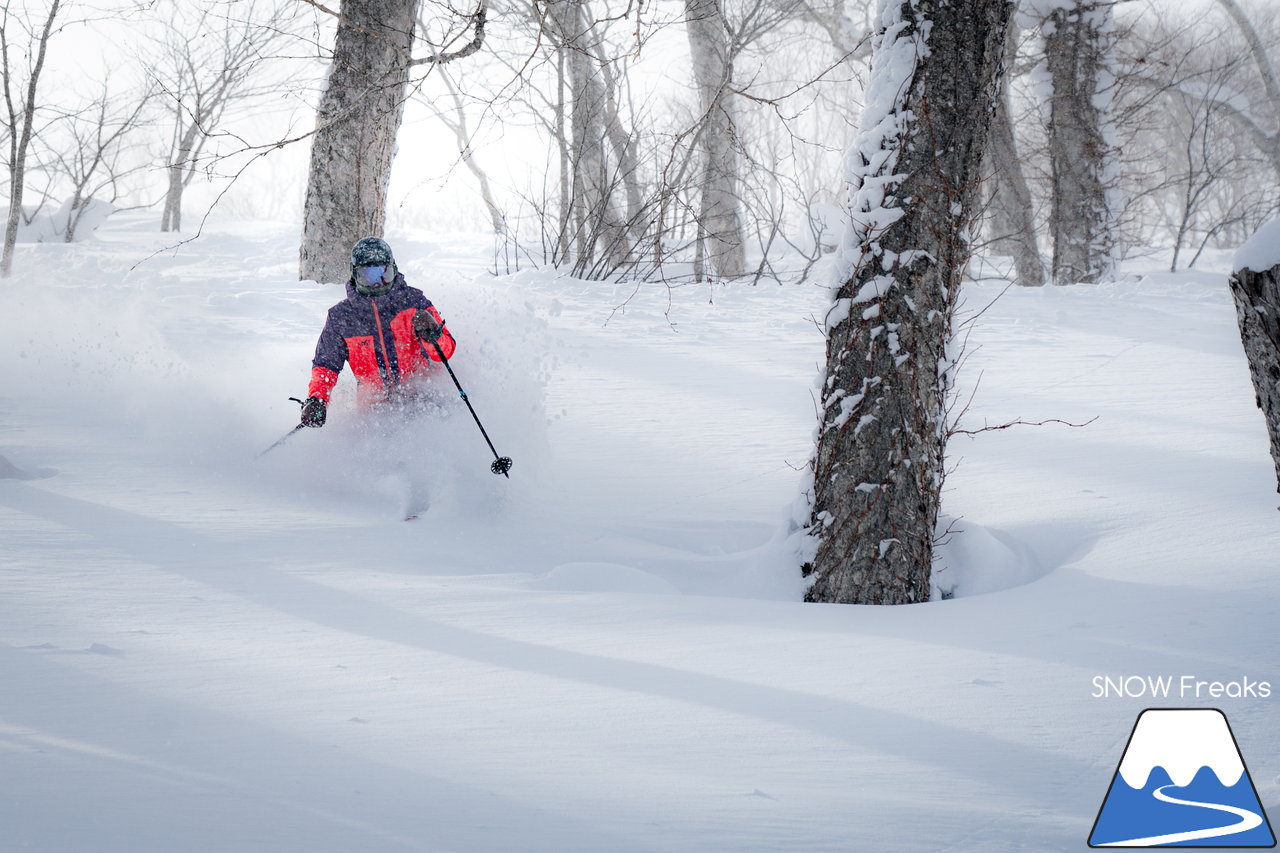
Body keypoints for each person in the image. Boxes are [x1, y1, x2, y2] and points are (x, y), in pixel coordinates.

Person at [299, 237, 456, 428]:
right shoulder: (341, 317)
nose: (377, 283)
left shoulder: (415, 302)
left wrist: (433, 333)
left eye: (384, 274)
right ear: (355, 275)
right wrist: (317, 399)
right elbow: (326, 366)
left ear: (394, 270)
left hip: (423, 400)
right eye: (369, 276)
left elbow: (444, 352)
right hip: (375, 413)